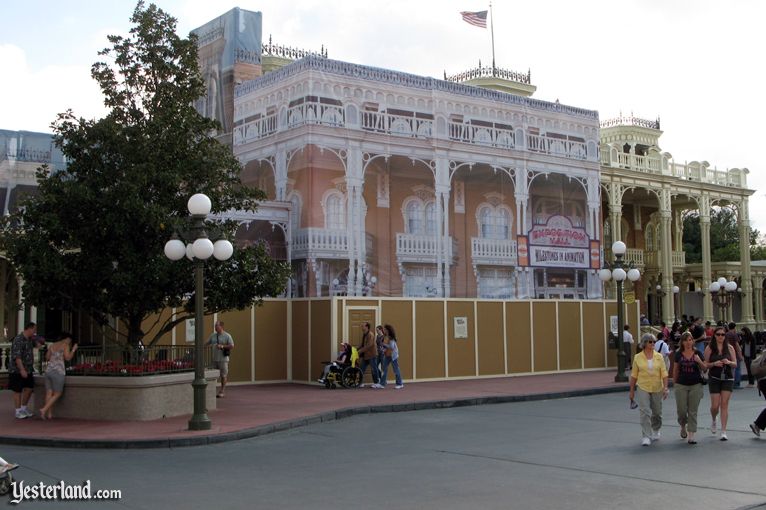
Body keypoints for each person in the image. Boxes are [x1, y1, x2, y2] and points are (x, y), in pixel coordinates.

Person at [629, 333, 669, 446]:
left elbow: (664, 373)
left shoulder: (659, 356)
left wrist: (665, 388)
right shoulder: (637, 357)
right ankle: (646, 435)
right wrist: (631, 391)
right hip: (643, 386)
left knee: (657, 411)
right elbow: (634, 376)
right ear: (644, 343)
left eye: (654, 342)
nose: (653, 344)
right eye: (650, 342)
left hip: (657, 386)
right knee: (644, 411)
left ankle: (656, 429)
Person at [672, 331, 706, 445]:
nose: (688, 342)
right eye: (685, 340)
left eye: (690, 340)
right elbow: (675, 370)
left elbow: (705, 368)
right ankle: (683, 425)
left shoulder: (698, 353)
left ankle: (691, 435)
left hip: (695, 384)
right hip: (681, 384)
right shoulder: (678, 354)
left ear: (693, 341)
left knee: (693, 410)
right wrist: (675, 383)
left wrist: (699, 361)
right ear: (682, 342)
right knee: (681, 410)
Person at [704, 325, 737, 440]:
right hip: (714, 378)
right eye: (718, 334)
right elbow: (705, 365)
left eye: (723, 335)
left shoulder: (730, 348)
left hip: (727, 378)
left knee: (724, 404)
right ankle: (714, 419)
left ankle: (723, 431)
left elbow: (735, 364)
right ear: (714, 335)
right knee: (715, 406)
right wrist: (714, 364)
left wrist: (728, 362)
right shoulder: (709, 348)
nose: (721, 337)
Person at [39, 332, 78, 420]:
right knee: (58, 393)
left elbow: (47, 357)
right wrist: (73, 350)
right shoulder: (65, 345)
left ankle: (49, 414)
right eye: (70, 340)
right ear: (67, 339)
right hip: (58, 371)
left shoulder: (52, 345)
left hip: (49, 370)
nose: (70, 342)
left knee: (49, 392)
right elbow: (68, 357)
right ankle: (44, 409)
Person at [9, 322, 37, 419]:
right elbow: (17, 356)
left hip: (28, 369)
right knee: (18, 390)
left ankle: (23, 408)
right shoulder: (18, 339)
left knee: (29, 388)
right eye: (34, 330)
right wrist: (22, 369)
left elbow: (37, 345)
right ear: (29, 329)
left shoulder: (29, 340)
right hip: (17, 370)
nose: (34, 332)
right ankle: (17, 411)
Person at [207, 321, 234, 398]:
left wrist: (222, 346)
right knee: (211, 375)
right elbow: (207, 343)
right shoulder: (213, 335)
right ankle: (211, 390)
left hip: (223, 359)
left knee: (223, 375)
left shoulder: (227, 336)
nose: (215, 327)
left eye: (216, 326)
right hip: (214, 359)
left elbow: (232, 346)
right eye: (215, 326)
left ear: (221, 327)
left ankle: (222, 391)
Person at [357, 322, 381, 388]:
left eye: (363, 326)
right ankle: (360, 383)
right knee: (361, 368)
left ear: (367, 327)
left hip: (372, 355)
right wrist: (356, 349)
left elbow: (369, 345)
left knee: (374, 369)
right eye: (362, 326)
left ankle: (376, 383)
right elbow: (362, 344)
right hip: (366, 355)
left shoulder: (370, 334)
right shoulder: (364, 334)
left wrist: (360, 351)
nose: (362, 327)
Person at [379, 324, 403, 389]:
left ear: (388, 330)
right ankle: (382, 383)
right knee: (384, 368)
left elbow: (391, 347)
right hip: (387, 355)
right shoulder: (385, 336)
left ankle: (400, 383)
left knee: (396, 369)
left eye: (385, 329)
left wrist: (384, 344)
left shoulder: (391, 337)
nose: (383, 330)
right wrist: (382, 349)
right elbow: (385, 346)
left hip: (393, 355)